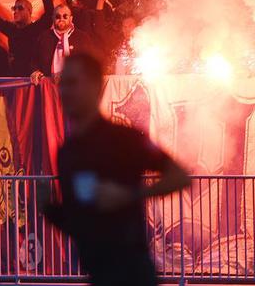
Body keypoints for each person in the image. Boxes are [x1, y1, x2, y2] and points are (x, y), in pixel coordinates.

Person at [41, 52, 190, 286]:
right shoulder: (67, 152)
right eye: (63, 84)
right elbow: (81, 221)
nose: (65, 92)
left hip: (133, 272)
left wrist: (131, 195)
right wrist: (50, 210)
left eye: (73, 83)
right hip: (98, 274)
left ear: (94, 87)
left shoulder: (124, 139)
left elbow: (179, 176)